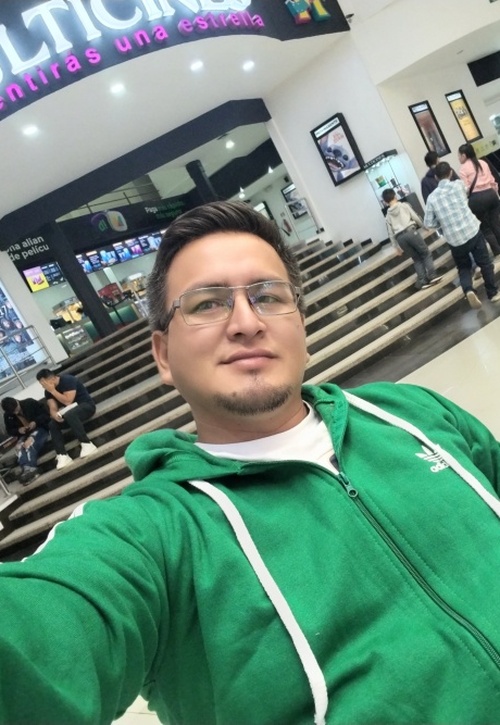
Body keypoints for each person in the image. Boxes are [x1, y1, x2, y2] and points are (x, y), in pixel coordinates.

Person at [3, 201, 500, 724]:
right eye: (207, 304)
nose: (246, 322)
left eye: (267, 296)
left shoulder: (412, 411)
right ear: (164, 355)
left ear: (300, 323)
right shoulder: (154, 535)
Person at [424, 161, 500, 309]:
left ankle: (468, 290)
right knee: (485, 263)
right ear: (450, 173)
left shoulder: (432, 198)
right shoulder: (458, 185)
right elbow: (466, 196)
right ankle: (492, 293)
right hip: (472, 230)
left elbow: (428, 223)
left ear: (436, 177)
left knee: (463, 267)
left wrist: (442, 223)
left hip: (454, 239)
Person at [36, 368, 97, 469]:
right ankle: (62, 454)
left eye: (43, 383)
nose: (43, 386)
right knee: (52, 424)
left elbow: (68, 401)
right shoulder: (47, 392)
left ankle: (86, 443)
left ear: (51, 379)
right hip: (69, 413)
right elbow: (52, 408)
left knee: (70, 414)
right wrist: (55, 415)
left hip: (85, 406)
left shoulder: (68, 380)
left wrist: (53, 390)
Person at [382, 187, 442, 290]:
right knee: (425, 253)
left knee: (416, 259)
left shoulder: (387, 216)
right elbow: (415, 217)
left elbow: (390, 233)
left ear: (385, 202)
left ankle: (423, 281)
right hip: (411, 232)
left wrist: (395, 246)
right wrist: (423, 226)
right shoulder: (404, 206)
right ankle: (432, 276)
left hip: (400, 238)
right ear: (395, 196)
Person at [458, 142, 500, 256]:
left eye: (459, 155)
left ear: (464, 155)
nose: (458, 158)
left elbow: (466, 189)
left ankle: (497, 250)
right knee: (496, 223)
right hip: (491, 195)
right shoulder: (483, 163)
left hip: (477, 199)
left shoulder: (463, 169)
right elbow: (492, 180)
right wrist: (495, 194)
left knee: (485, 227)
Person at [1, 396, 50, 484]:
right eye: (13, 412)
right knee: (19, 448)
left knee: (29, 444)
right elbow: (10, 430)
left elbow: (46, 414)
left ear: (17, 402)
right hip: (25, 434)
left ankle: (32, 468)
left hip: (41, 428)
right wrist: (18, 430)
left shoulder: (30, 403)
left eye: (16, 410)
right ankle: (26, 468)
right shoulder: (8, 415)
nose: (16, 413)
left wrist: (35, 422)